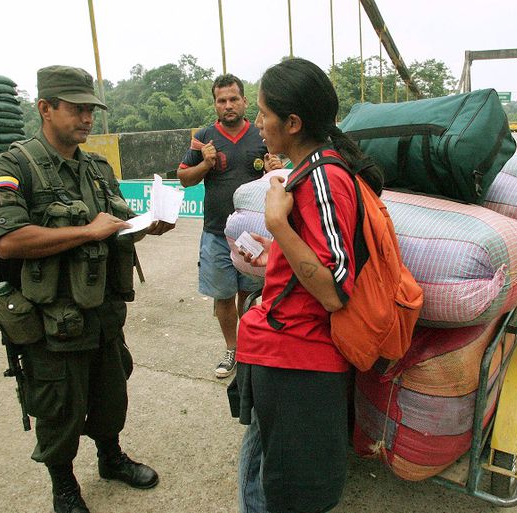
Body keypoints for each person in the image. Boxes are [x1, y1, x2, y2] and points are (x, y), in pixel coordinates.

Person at [0, 65, 174, 513]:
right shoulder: (13, 166)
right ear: (44, 108)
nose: (87, 118)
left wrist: (146, 227)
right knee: (59, 407)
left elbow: (114, 226)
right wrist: (88, 232)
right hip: (51, 320)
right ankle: (63, 485)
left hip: (102, 311)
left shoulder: (97, 167)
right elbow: (8, 240)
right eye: (77, 109)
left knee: (110, 393)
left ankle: (110, 458)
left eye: (91, 109)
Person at [233, 58, 384, 513]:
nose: (257, 122)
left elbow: (334, 292)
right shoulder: (316, 172)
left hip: (297, 356)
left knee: (288, 489)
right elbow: (317, 255)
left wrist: (278, 223)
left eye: (262, 112)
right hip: (281, 349)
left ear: (293, 122)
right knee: (264, 465)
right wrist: (275, 251)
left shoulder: (323, 179)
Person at [177, 73, 282, 378]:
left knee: (249, 294)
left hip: (253, 234)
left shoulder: (261, 134)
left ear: (245, 101)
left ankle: (251, 348)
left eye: (234, 98)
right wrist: (205, 164)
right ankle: (232, 349)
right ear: (215, 105)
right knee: (222, 295)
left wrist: (276, 168)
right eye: (222, 100)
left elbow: (277, 176)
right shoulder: (204, 137)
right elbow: (184, 178)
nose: (228, 105)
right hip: (215, 233)